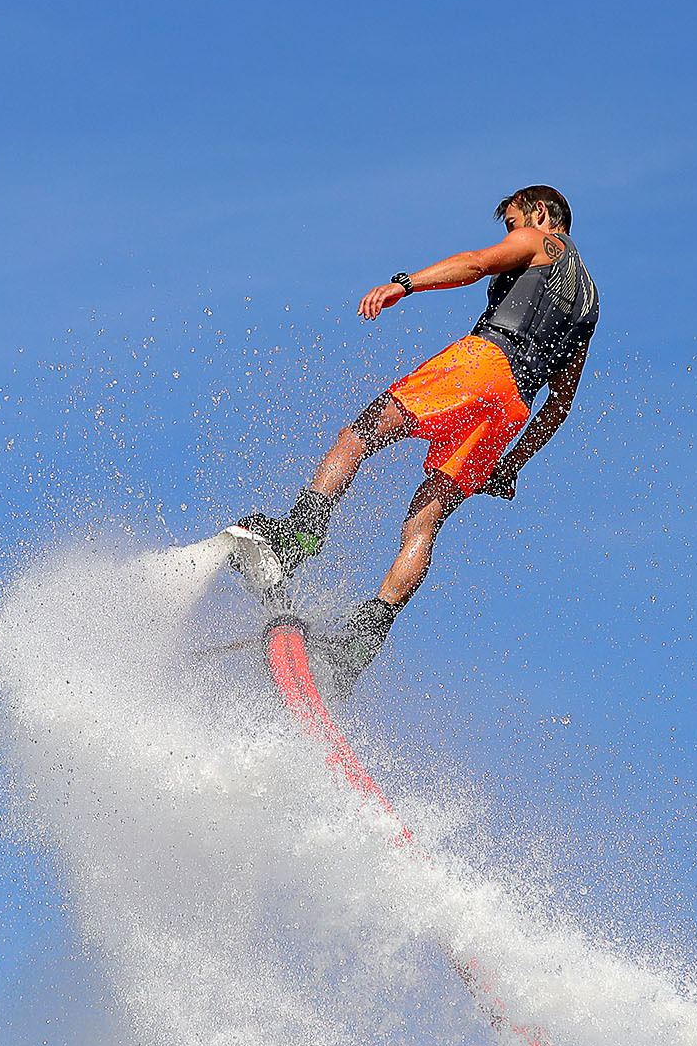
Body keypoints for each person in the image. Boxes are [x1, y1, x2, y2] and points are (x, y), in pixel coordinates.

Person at [237, 184, 598, 692]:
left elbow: (476, 263)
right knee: (424, 521)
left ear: (539, 212)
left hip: (483, 363)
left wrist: (403, 285)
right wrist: (512, 462)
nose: (511, 235)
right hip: (512, 407)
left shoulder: (542, 241)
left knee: (359, 434)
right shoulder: (589, 303)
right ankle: (360, 643)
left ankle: (295, 538)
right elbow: (560, 404)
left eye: (512, 223)